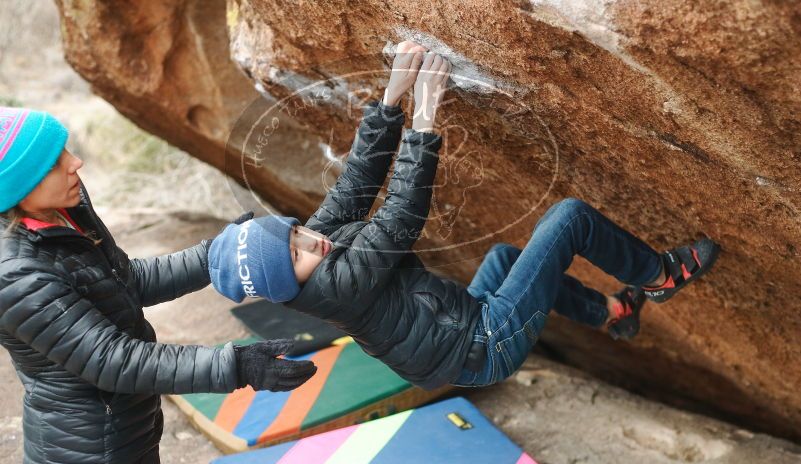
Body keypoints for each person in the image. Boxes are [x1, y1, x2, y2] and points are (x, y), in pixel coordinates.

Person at [208, 41, 720, 390]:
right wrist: (425, 115)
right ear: (287, 285)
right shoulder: (333, 286)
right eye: (296, 256)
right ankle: (659, 277)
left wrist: (391, 98)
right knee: (568, 220)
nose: (311, 243)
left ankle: (613, 314)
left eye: (295, 233)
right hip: (483, 344)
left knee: (501, 259)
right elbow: (399, 216)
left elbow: (357, 183)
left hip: (460, 323)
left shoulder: (310, 248)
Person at [0, 107, 316, 464]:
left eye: (66, 151)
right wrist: (237, 365)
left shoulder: (64, 212)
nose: (75, 162)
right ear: (19, 187)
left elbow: (125, 281)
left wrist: (212, 254)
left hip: (130, 430)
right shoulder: (16, 275)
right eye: (55, 162)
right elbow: (112, 359)